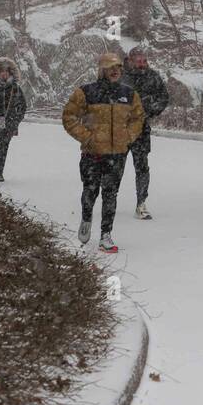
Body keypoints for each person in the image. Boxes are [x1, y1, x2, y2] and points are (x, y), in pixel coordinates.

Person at [61, 52, 145, 254]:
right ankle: (86, 219)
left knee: (111, 194)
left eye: (117, 68)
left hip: (117, 155)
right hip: (93, 153)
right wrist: (87, 137)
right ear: (102, 71)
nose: (115, 71)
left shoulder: (129, 94)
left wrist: (128, 136)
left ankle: (106, 234)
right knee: (90, 190)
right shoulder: (86, 92)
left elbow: (138, 118)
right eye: (110, 68)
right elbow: (69, 116)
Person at [120, 45, 170, 219]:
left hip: (141, 129)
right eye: (139, 61)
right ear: (131, 61)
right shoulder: (120, 76)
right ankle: (108, 199)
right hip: (121, 130)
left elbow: (164, 97)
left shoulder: (152, 77)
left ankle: (141, 203)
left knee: (142, 167)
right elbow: (107, 98)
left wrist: (151, 110)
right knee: (115, 167)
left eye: (145, 60)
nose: (142, 64)